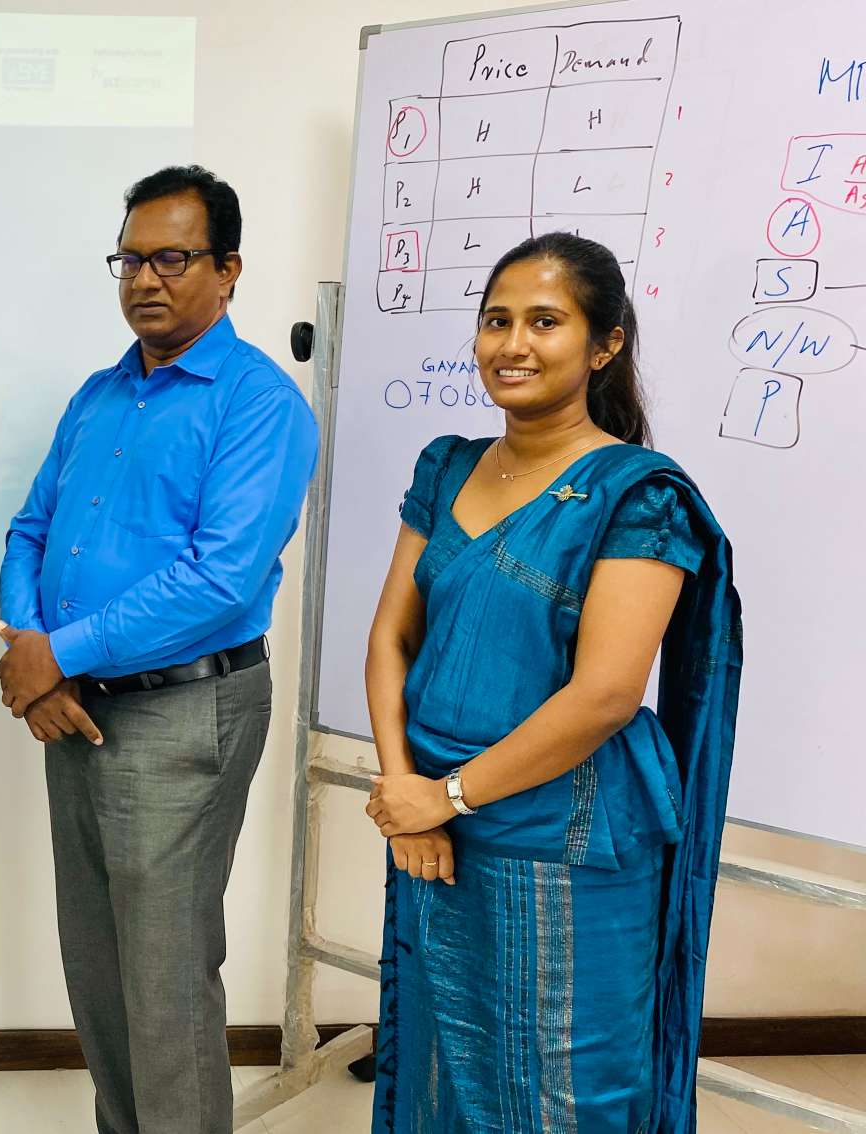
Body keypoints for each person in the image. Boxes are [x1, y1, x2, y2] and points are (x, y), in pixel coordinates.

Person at [361, 232, 741, 1132]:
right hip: (433, 827)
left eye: (545, 322)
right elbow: (391, 637)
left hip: (566, 834)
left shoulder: (637, 494)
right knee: (443, 1069)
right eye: (497, 321)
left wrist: (447, 794)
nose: (513, 344)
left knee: (565, 1092)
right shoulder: (447, 465)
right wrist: (406, 792)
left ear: (604, 344)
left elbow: (606, 694)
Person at [0, 164, 318, 1134]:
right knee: (97, 968)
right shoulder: (99, 396)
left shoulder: (259, 404)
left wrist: (59, 654)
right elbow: (28, 531)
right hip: (76, 707)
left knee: (165, 979)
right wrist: (37, 655)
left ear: (229, 270)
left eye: (172, 258)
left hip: (184, 711)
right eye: (130, 259)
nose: (145, 279)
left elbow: (221, 579)